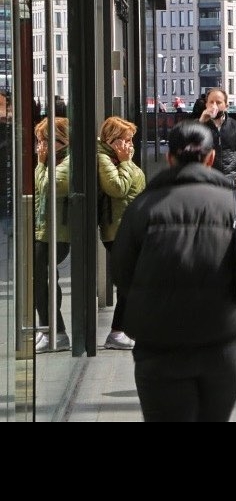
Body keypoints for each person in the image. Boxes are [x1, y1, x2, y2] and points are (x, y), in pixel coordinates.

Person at [110, 121, 236, 422]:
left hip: (159, 345)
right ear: (211, 158)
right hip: (224, 341)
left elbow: (122, 274)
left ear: (169, 158)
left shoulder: (143, 207)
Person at [97, 115, 146, 350]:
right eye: (126, 140)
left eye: (131, 140)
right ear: (112, 140)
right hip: (117, 231)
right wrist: (126, 161)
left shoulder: (119, 157)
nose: (130, 145)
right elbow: (117, 188)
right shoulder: (105, 159)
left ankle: (126, 329)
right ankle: (117, 331)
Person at [34, 117, 71, 352]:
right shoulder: (54, 160)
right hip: (44, 228)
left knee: (43, 279)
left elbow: (48, 186)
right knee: (41, 280)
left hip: (57, 232)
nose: (41, 147)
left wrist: (40, 164)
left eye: (45, 141)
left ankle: (53, 330)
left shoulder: (67, 162)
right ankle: (49, 328)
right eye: (39, 142)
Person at [198, 87, 236, 196]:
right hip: (206, 180)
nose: (214, 105)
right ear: (206, 105)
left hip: (229, 179)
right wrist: (200, 123)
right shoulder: (200, 126)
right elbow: (186, 146)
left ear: (226, 106)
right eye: (211, 102)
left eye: (219, 102)